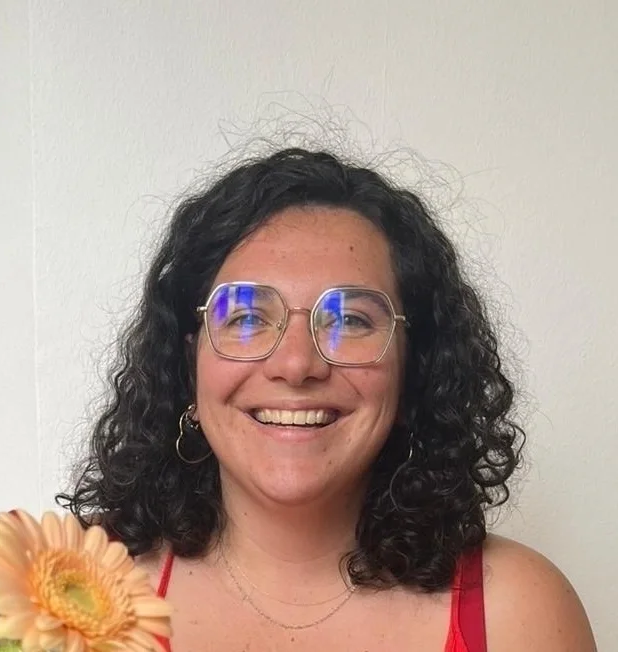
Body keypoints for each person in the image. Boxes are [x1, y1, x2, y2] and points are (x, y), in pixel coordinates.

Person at [59, 147, 596, 651]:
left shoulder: (519, 614)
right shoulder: (65, 589)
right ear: (188, 366)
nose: (296, 365)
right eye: (247, 316)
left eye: (351, 319)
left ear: (415, 372)